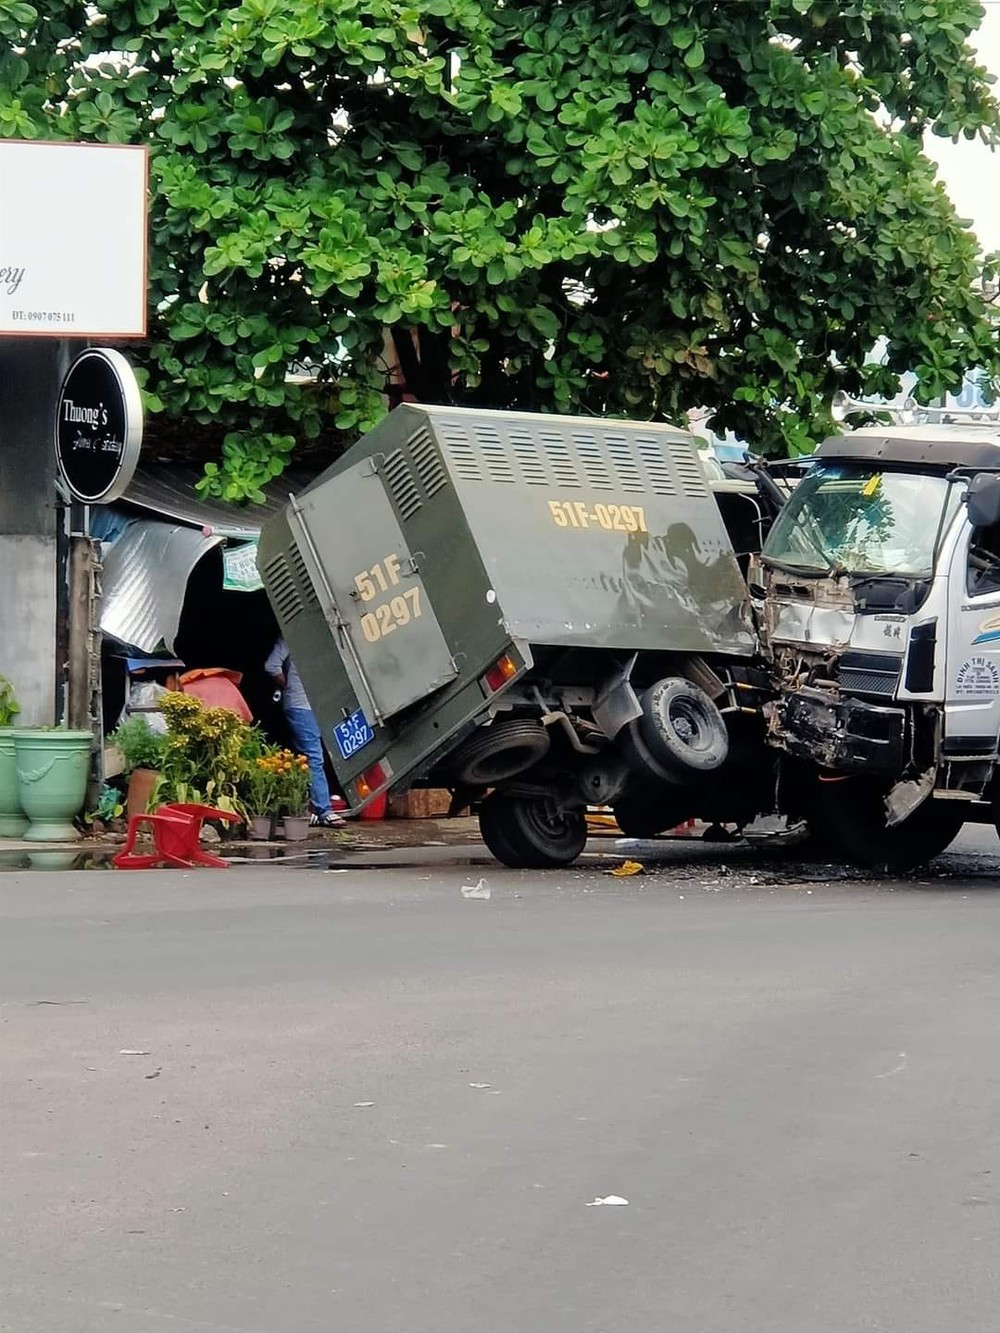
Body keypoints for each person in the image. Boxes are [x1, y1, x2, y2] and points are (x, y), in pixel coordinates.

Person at [265, 637, 345, 828]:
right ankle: (324, 810)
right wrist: (288, 686)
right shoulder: (290, 638)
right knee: (313, 757)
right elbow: (271, 665)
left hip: (312, 705)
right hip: (301, 706)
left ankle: (311, 808)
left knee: (307, 757)